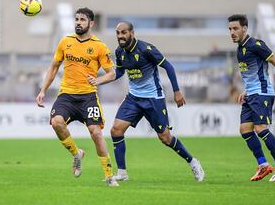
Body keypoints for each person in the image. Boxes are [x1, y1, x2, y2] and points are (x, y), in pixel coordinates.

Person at [87, 21, 205, 182]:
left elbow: (168, 67)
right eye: (118, 33)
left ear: (132, 33)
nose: (120, 36)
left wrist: (177, 91)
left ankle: (193, 162)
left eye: (123, 32)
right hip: (133, 98)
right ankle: (122, 172)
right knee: (116, 130)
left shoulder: (146, 49)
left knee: (165, 138)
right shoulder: (119, 52)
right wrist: (99, 81)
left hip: (153, 98)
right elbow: (119, 73)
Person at [36, 7, 119, 187]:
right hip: (66, 95)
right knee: (57, 123)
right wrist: (43, 90)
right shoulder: (65, 42)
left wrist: (98, 80)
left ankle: (109, 176)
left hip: (88, 96)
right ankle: (76, 154)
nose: (78, 23)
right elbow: (53, 67)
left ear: (91, 23)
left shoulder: (99, 46)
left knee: (96, 133)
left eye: (82, 20)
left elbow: (112, 74)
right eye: (76, 19)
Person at [228, 14, 275, 182]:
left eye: (235, 28)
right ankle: (263, 165)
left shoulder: (256, 45)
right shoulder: (240, 49)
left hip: (262, 93)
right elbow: (252, 74)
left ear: (244, 28)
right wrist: (246, 91)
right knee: (245, 130)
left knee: (260, 128)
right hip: (251, 94)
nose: (232, 32)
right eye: (230, 29)